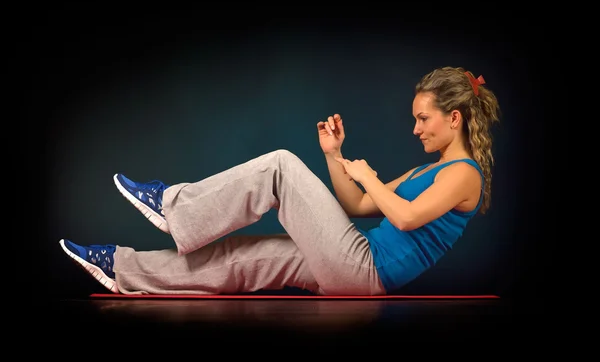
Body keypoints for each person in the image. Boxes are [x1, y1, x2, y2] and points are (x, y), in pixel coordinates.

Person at [59, 66, 501, 296]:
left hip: (366, 270)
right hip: (353, 260)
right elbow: (358, 207)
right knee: (242, 256)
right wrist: (336, 157)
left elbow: (403, 219)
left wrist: (368, 175)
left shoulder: (464, 175)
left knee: (280, 166)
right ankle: (124, 270)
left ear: (455, 118)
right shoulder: (428, 170)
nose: (416, 129)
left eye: (423, 119)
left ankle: (173, 208)